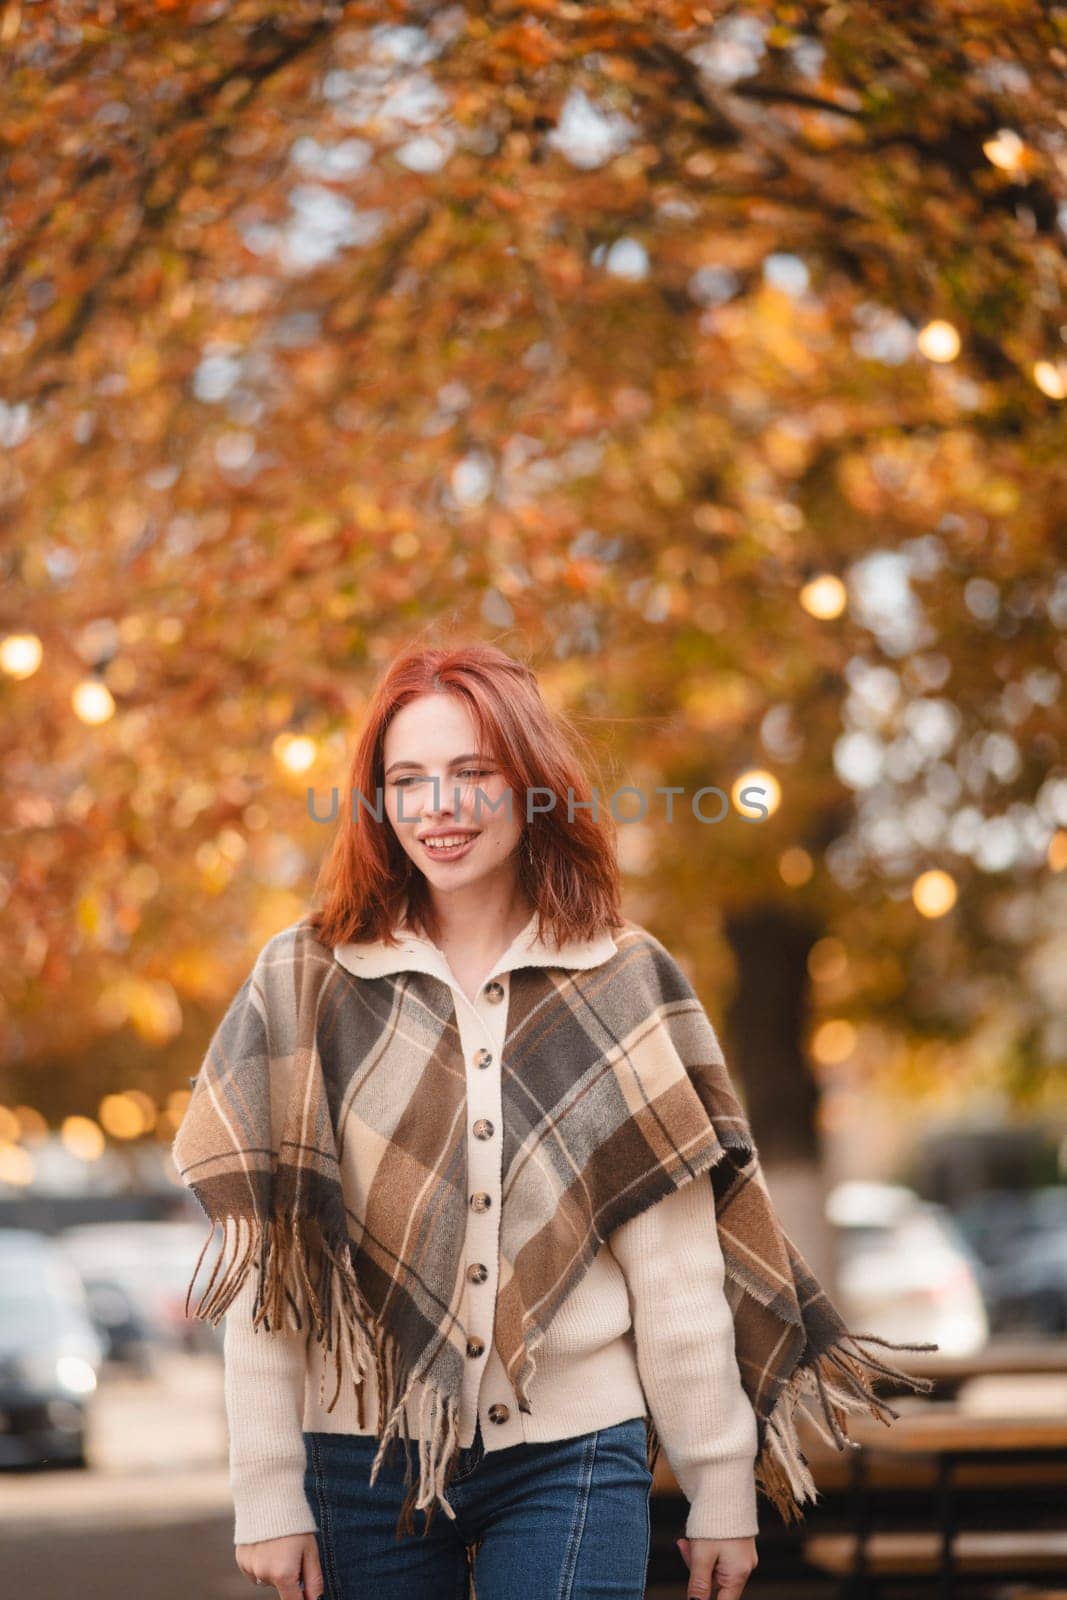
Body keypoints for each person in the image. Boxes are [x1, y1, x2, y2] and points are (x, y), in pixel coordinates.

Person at [172, 642, 933, 1600]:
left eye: (472, 774)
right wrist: (266, 1492)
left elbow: (676, 1272)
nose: (437, 807)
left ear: (531, 785)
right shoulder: (304, 979)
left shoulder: (620, 978)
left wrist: (718, 1489)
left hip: (573, 1451)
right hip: (356, 1460)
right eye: (407, 780)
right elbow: (271, 1266)